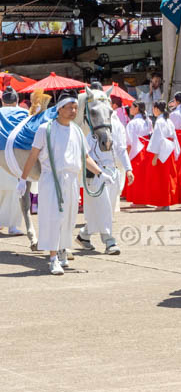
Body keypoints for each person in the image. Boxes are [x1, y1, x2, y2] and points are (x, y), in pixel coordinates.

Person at [17, 91, 112, 275]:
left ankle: (61, 251)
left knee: (68, 219)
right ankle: (52, 258)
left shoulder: (76, 131)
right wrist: (23, 179)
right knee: (53, 218)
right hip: (51, 179)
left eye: (75, 107)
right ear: (59, 109)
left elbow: (85, 157)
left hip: (71, 180)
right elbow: (33, 156)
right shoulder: (45, 129)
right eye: (69, 107)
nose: (73, 111)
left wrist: (101, 173)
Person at [77, 93, 134, 255]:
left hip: (113, 172)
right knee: (103, 208)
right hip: (97, 173)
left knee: (106, 208)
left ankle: (84, 235)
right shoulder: (90, 129)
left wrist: (128, 169)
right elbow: (86, 154)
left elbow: (121, 149)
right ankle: (109, 241)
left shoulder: (117, 126)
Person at [0, 87, 30, 239]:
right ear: (17, 100)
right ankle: (12, 227)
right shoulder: (24, 113)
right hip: (15, 158)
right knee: (14, 193)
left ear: (2, 101)